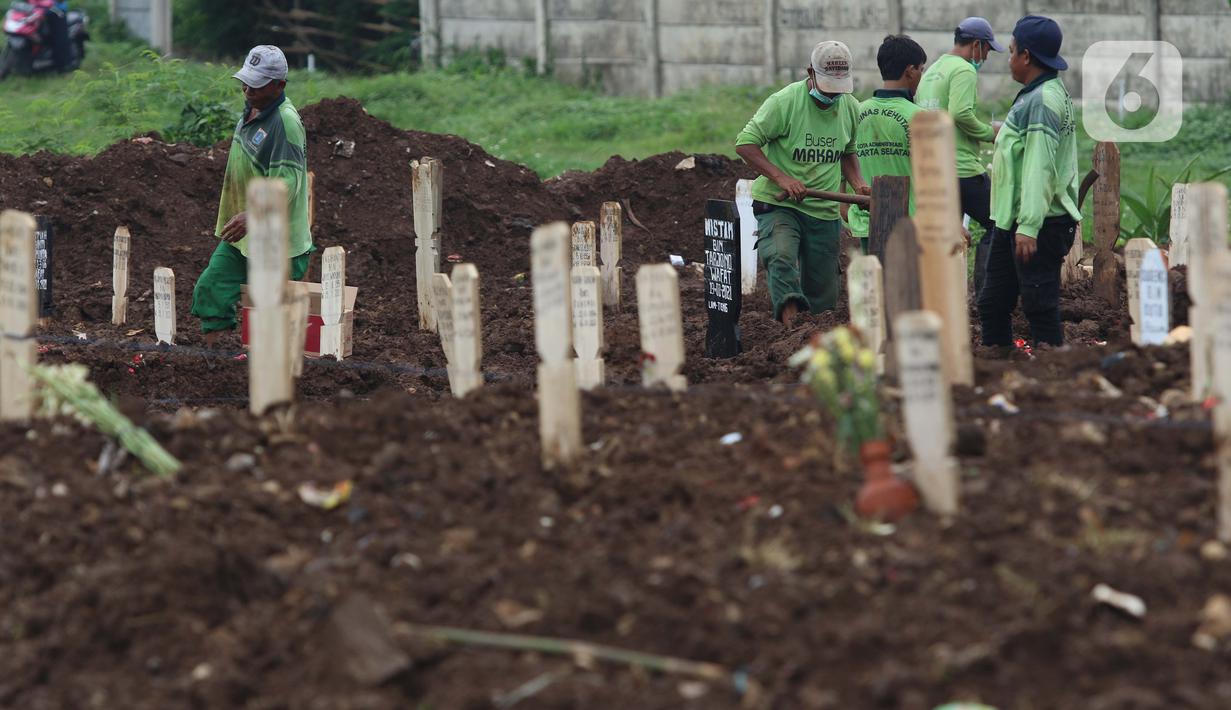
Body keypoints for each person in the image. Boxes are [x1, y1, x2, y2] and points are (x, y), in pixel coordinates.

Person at [735, 41, 870, 324]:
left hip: (823, 210)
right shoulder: (784, 102)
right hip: (779, 204)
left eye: (838, 88)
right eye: (826, 87)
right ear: (810, 73)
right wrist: (781, 177)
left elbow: (847, 152)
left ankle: (815, 339)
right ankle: (789, 328)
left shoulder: (850, 108)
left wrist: (858, 184)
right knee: (781, 256)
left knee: (823, 295)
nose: (833, 96)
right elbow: (746, 144)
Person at [191, 45, 313, 345]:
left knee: (270, 322)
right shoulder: (253, 109)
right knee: (211, 289)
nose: (247, 89)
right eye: (246, 81)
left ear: (280, 85)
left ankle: (275, 380)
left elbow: (288, 185)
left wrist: (253, 215)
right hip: (243, 236)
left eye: (257, 85)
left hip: (276, 241)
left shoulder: (285, 123)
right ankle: (217, 366)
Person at [977, 16, 1080, 349]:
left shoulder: (1042, 101)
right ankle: (1000, 368)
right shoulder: (1036, 94)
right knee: (993, 303)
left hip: (1039, 223)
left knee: (1039, 305)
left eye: (1011, 51)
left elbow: (1040, 167)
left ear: (1026, 56)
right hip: (1013, 220)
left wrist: (1030, 226)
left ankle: (1055, 374)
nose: (1008, 59)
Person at [915, 17, 1004, 291]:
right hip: (961, 168)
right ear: (976, 45)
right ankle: (985, 293)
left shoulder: (932, 71)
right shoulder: (964, 70)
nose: (986, 56)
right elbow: (961, 113)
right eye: (987, 49)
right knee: (998, 223)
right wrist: (991, 132)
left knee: (946, 235)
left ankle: (943, 295)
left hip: (934, 167)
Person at [846, 35, 926, 248]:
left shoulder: (856, 112)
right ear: (910, 70)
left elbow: (843, 165)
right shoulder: (921, 118)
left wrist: (847, 211)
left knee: (874, 280)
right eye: (921, 69)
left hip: (866, 223)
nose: (921, 76)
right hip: (909, 227)